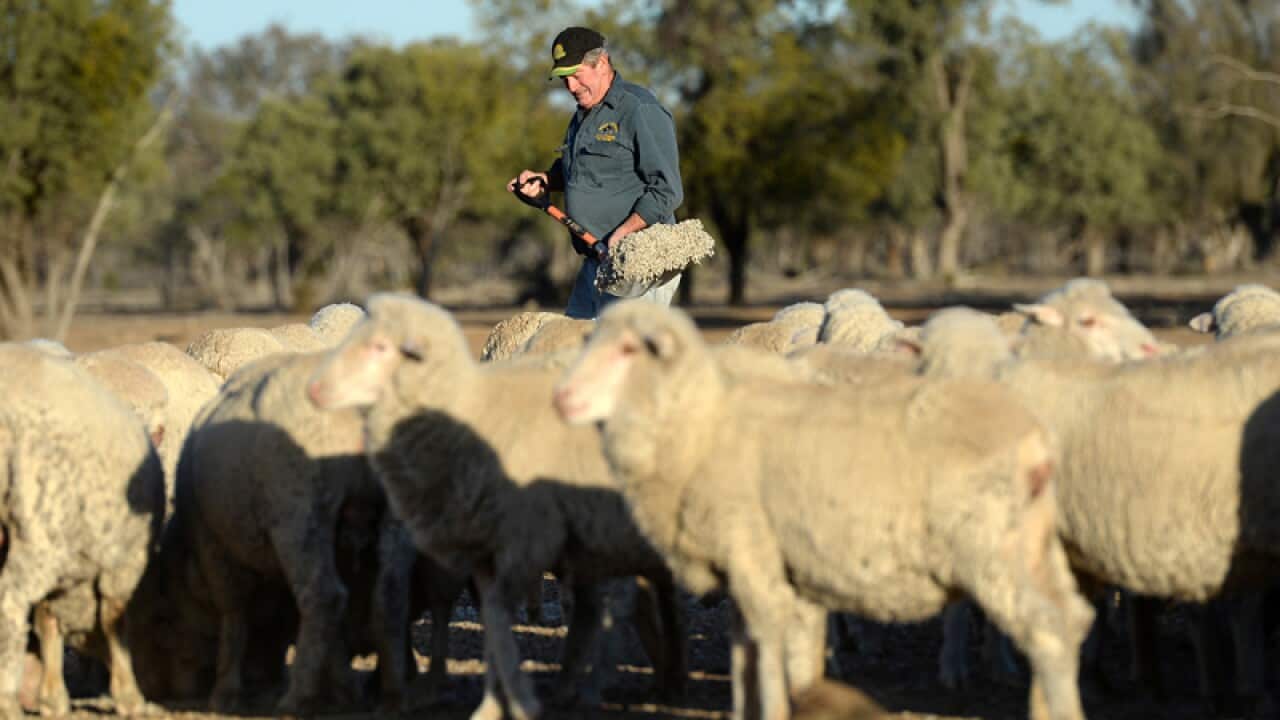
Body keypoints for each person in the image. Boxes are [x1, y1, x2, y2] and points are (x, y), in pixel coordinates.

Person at [507, 26, 684, 319]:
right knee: (572, 345)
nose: (571, 86)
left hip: (636, 265)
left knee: (622, 348)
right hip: (595, 262)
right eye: (564, 78)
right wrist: (544, 181)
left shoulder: (640, 109)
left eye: (576, 75)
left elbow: (667, 190)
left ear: (601, 63)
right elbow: (578, 173)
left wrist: (623, 233)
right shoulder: (581, 116)